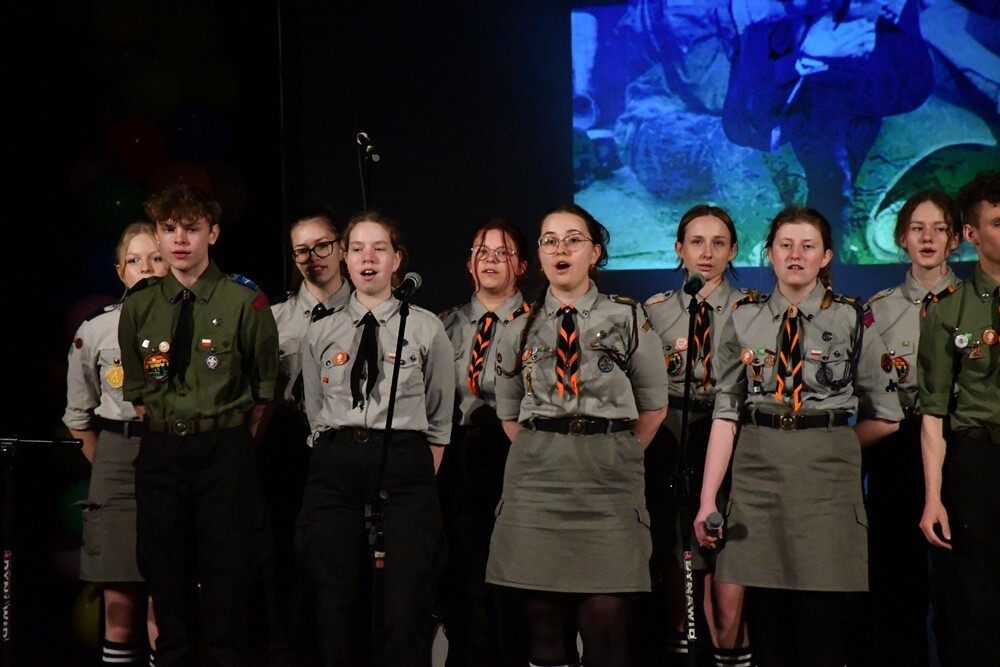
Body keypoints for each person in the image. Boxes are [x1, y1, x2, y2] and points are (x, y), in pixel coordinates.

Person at [693, 206, 902, 667]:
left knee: (819, 626)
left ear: (825, 256)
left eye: (808, 246)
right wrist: (708, 500)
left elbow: (887, 416)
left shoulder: (852, 318)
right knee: (768, 630)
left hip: (825, 483)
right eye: (785, 245)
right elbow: (726, 413)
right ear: (769, 253)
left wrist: (831, 445)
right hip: (758, 476)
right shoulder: (744, 317)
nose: (795, 255)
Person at [487, 203, 669, 667]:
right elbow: (509, 413)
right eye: (549, 241)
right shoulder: (517, 326)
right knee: (545, 630)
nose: (560, 249)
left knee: (607, 625)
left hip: (608, 486)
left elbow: (654, 405)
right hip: (537, 488)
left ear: (595, 252)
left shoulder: (628, 317)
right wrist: (548, 449)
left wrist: (616, 451)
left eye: (573, 239)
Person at [118, 183, 280, 666]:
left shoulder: (244, 303)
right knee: (165, 575)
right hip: (163, 451)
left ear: (213, 232)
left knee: (227, 578)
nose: (180, 239)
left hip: (224, 449)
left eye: (191, 228)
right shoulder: (140, 306)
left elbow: (263, 393)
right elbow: (139, 394)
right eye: (169, 229)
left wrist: (228, 443)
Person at [298, 210, 454, 666]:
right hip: (336, 465)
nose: (368, 258)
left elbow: (440, 412)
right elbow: (315, 409)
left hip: (404, 462)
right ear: (344, 259)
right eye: (358, 249)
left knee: (405, 602)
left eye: (379, 249)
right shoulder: (322, 328)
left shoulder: (425, 326)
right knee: (334, 600)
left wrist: (417, 464)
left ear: (396, 260)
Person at [641, 205, 751, 667]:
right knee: (677, 573)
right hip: (671, 441)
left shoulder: (752, 311)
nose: (707, 252)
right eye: (697, 242)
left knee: (726, 580)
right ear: (679, 249)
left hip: (730, 438)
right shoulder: (653, 312)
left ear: (733, 251)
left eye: (719, 243)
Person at [861, 190, 961, 666]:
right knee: (896, 579)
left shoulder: (977, 305)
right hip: (898, 444)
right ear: (902, 238)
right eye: (917, 228)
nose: (927, 238)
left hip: (959, 443)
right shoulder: (877, 309)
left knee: (960, 580)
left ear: (956, 239)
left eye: (939, 229)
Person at [64, 221, 167, 666]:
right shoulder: (98, 330)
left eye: (156, 258)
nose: (146, 268)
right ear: (120, 270)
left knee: (168, 604)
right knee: (120, 605)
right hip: (118, 457)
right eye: (134, 260)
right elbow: (78, 418)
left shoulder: (197, 324)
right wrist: (109, 462)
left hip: (175, 455)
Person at [254, 204, 352, 665]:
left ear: (341, 247)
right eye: (302, 251)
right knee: (284, 558)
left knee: (339, 561)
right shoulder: (273, 320)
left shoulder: (370, 313)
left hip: (346, 445)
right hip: (287, 449)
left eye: (323, 246)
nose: (314, 258)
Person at [437, 219, 531, 667]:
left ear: (523, 266)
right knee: (464, 569)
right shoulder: (442, 326)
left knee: (514, 568)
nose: (490, 260)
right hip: (459, 455)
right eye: (482, 251)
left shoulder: (540, 324)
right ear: (468, 263)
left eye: (503, 252)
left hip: (516, 452)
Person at [918, 169, 1000, 667]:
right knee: (974, 604)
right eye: (998, 223)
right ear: (970, 234)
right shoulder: (949, 310)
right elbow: (932, 413)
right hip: (977, 463)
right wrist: (933, 498)